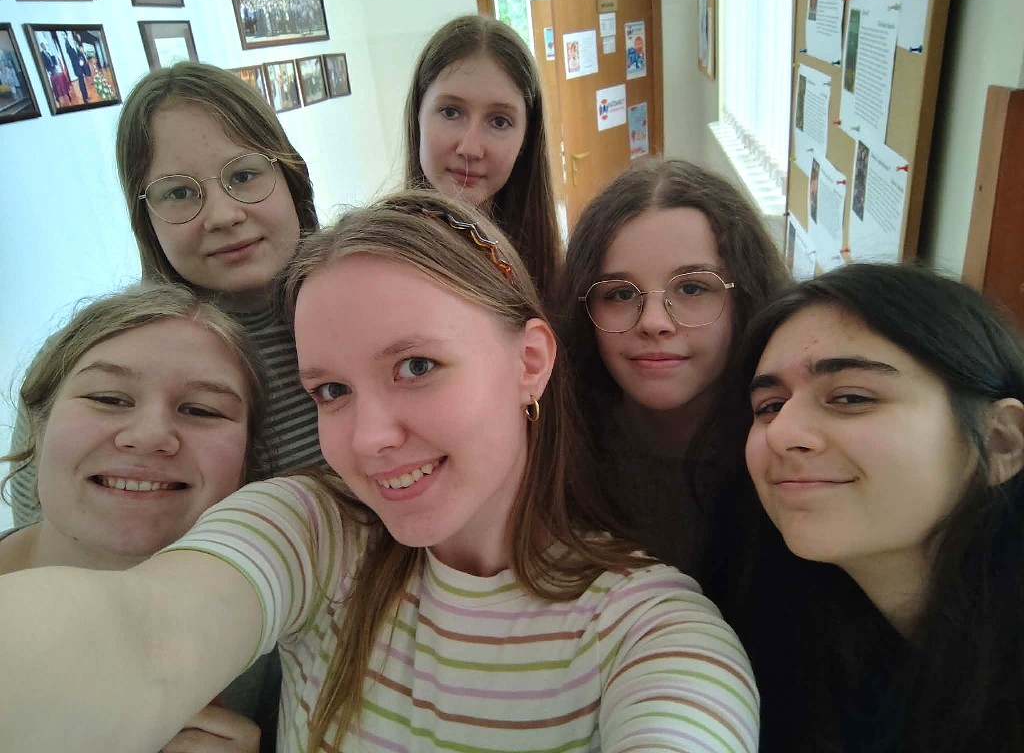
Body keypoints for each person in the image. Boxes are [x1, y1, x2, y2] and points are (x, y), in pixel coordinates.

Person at [0, 191, 759, 753]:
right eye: (332, 390)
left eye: (416, 366)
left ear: (529, 361)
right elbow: (145, 637)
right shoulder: (314, 531)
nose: (367, 439)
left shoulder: (651, 629)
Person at [8, 61, 323, 527]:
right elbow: (45, 540)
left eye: (243, 176)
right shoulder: (88, 362)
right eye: (178, 193)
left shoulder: (375, 303)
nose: (223, 215)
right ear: (147, 219)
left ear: (291, 180)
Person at [741, 263, 1024, 752]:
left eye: (851, 397)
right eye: (769, 406)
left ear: (1002, 442)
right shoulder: (795, 637)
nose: (782, 433)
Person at [0, 282, 279, 753]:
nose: (149, 436)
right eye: (109, 399)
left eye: (201, 410)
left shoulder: (282, 650)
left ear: (246, 463)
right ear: (39, 428)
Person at [557, 158, 789, 583]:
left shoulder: (792, 447)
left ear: (745, 299)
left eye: (692, 287)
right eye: (620, 294)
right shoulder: (555, 449)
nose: (653, 322)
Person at [404, 14, 562, 305]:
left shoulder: (557, 278)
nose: (470, 148)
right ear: (418, 115)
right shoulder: (381, 264)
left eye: (499, 121)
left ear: (526, 139)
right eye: (451, 112)